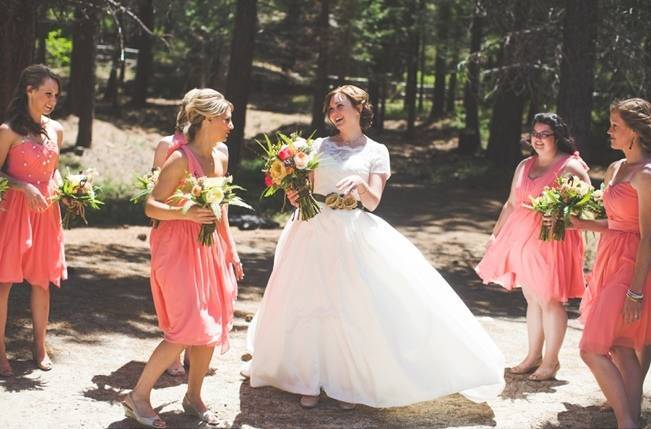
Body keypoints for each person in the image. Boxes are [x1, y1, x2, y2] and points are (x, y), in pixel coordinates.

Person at [244, 85, 505, 409]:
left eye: (340, 106)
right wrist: (296, 195)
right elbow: (304, 189)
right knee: (308, 300)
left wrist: (361, 185)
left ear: (359, 108)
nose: (334, 113)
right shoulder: (317, 146)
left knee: (349, 305)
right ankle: (306, 380)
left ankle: (348, 384)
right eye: (330, 108)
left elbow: (374, 201)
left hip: (351, 230)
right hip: (311, 228)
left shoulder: (376, 151)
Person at [122, 89, 243, 428]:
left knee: (210, 324)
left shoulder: (220, 156)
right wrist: (187, 214)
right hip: (176, 247)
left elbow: (221, 209)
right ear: (206, 119)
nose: (231, 125)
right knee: (184, 328)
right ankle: (138, 396)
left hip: (209, 248)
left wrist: (229, 247)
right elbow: (151, 206)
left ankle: (193, 395)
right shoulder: (178, 158)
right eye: (226, 118)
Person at [475, 113, 590, 381]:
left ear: (557, 137)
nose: (537, 139)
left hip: (553, 241)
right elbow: (512, 203)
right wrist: (495, 235)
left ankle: (551, 362)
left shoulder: (570, 167)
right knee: (532, 299)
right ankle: (533, 355)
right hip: (523, 240)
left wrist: (563, 217)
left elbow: (588, 208)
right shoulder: (525, 165)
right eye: (534, 134)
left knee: (550, 300)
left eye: (544, 134)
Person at [573, 98, 651, 429]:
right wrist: (581, 224)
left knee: (591, 348)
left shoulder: (647, 175)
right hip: (608, 258)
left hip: (632, 266)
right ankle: (630, 423)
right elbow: (617, 224)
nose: (609, 130)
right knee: (619, 347)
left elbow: (647, 236)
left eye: (615, 125)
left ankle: (627, 423)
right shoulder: (616, 168)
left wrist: (636, 292)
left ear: (634, 132)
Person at [0, 64, 67, 376]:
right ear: (29, 90)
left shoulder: (56, 130)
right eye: (46, 93)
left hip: (47, 212)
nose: (52, 100)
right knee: (4, 283)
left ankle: (40, 347)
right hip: (14, 212)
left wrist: (68, 188)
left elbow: (54, 168)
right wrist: (22, 186)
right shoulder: (8, 131)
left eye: (55, 94)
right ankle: (0, 353)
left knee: (42, 282)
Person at [151, 89, 199, 378]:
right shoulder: (167, 145)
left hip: (199, 228)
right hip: (170, 225)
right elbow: (154, 187)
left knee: (195, 291)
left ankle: (194, 349)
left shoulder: (214, 150)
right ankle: (173, 352)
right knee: (175, 292)